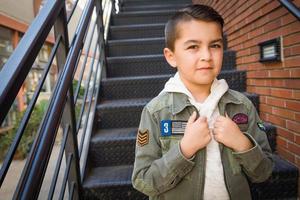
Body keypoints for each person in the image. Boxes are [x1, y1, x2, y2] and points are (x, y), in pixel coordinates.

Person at [131, 4, 273, 200]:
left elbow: (264, 172)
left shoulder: (242, 106)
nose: (206, 56)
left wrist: (242, 144)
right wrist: (184, 150)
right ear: (171, 56)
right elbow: (143, 181)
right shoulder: (155, 112)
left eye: (215, 45)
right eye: (193, 47)